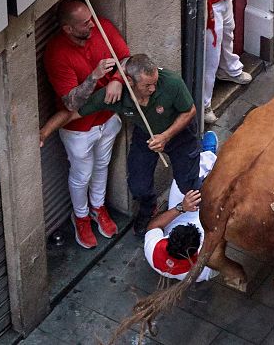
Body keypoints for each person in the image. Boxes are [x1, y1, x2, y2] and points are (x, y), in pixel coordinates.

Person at [40, 54, 203, 237]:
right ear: (129, 81)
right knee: (138, 185)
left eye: (154, 83)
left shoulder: (172, 82)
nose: (153, 88)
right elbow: (74, 113)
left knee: (188, 185)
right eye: (147, 85)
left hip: (179, 134)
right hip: (146, 134)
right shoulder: (116, 95)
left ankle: (202, 212)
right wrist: (45, 131)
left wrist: (165, 136)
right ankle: (149, 207)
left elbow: (190, 111)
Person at [43, 0, 130, 249]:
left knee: (102, 165)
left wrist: (116, 80)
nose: (92, 24)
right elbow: (71, 102)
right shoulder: (56, 53)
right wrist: (95, 75)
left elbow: (125, 57)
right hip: (78, 129)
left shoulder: (102, 27)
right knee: (81, 175)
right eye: (84, 23)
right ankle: (80, 217)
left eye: (90, 18)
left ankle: (98, 208)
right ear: (68, 29)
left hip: (108, 117)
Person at [144, 131, 220, 282]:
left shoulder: (153, 250)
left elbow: (153, 225)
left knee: (183, 182)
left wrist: (182, 207)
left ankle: (206, 155)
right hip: (208, 224)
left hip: (182, 213)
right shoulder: (203, 272)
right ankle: (214, 160)